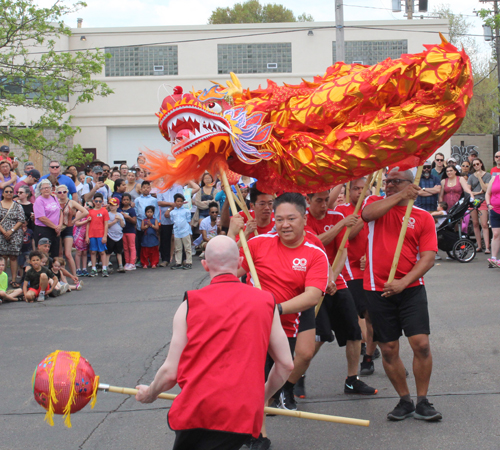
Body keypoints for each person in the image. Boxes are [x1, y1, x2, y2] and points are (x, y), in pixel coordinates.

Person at [135, 236, 293, 450]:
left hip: (197, 410)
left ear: (205, 265)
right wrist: (260, 396)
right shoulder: (266, 301)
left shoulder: (190, 304)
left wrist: (150, 393)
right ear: (239, 263)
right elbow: (286, 364)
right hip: (241, 412)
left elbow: (170, 372)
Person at [229, 193, 329, 447]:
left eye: (291, 218)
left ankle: (283, 388)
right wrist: (231, 235)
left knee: (303, 355)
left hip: (293, 308)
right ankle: (257, 436)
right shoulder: (258, 244)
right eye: (279, 218)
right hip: (257, 320)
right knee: (256, 380)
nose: (284, 224)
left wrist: (275, 308)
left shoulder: (315, 252)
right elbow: (226, 272)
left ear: (304, 220)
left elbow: (313, 296)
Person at [362, 168, 442, 422]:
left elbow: (428, 257)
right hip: (377, 289)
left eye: (396, 182)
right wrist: (397, 196)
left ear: (412, 185)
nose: (389, 185)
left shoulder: (423, 217)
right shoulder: (375, 204)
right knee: (388, 349)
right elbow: (366, 215)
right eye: (388, 181)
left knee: (421, 344)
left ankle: (423, 400)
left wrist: (404, 282)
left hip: (411, 289)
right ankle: (404, 400)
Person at [304, 189, 377, 397]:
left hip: (336, 281)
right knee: (319, 335)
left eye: (327, 200)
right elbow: (316, 243)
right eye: (319, 200)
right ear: (308, 201)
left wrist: (332, 278)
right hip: (310, 282)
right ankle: (296, 376)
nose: (324, 204)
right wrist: (340, 226)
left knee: (354, 331)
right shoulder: (304, 219)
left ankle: (352, 380)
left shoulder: (336, 217)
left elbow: (342, 251)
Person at [335, 178, 380, 376]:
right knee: (356, 318)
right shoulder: (342, 211)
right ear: (348, 190)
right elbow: (349, 235)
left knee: (374, 316)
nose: (359, 192)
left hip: (372, 268)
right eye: (355, 189)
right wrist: (364, 216)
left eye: (363, 188)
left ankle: (370, 356)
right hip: (350, 272)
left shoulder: (375, 206)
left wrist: (371, 258)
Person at [0, 185, 30, 288]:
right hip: (1, 233)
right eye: (6, 191)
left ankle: (13, 279)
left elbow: (21, 220)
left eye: (10, 192)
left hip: (15, 234)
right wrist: (4, 232)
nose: (8, 193)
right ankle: (2, 279)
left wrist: (11, 231)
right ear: (3, 193)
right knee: (3, 257)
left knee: (13, 257)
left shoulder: (17, 206)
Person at [56, 184, 88, 276]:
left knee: (68, 254)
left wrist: (75, 220)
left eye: (64, 192)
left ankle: (74, 275)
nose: (62, 194)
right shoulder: (55, 202)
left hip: (68, 227)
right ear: (57, 193)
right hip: (58, 228)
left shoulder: (71, 202)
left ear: (67, 193)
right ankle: (61, 275)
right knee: (59, 253)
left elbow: (85, 211)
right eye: (60, 192)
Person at [33, 179, 63, 258]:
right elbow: (42, 218)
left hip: (55, 230)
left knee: (55, 253)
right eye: (44, 188)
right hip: (44, 230)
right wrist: (55, 227)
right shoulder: (39, 201)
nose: (46, 189)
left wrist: (59, 226)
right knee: (44, 254)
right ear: (40, 190)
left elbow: (60, 211)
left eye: (48, 187)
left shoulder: (54, 198)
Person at [468, 158, 492, 253]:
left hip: (483, 201)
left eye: (477, 164)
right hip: (473, 201)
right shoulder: (471, 177)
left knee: (484, 224)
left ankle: (487, 246)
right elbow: (468, 191)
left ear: (481, 164)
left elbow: (486, 189)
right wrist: (477, 192)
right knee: (475, 223)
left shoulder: (487, 175)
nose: (476, 166)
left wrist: (479, 178)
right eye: (474, 165)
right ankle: (478, 246)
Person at [157, 184, 184, 267]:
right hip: (165, 219)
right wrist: (172, 204)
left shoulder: (178, 187)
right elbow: (159, 202)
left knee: (180, 237)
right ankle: (165, 259)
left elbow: (180, 202)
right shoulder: (160, 187)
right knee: (165, 238)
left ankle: (183, 259)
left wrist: (169, 209)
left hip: (177, 216)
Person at [134, 181, 160, 265]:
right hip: (140, 223)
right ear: (141, 189)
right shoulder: (137, 199)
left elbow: (156, 212)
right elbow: (136, 210)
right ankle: (141, 260)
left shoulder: (154, 200)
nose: (146, 189)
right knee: (140, 243)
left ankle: (153, 260)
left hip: (152, 224)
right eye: (144, 187)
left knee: (152, 242)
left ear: (150, 189)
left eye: (147, 187)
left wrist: (157, 223)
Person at [166, 194, 193, 270]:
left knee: (187, 248)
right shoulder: (172, 212)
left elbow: (188, 221)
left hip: (185, 231)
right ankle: (178, 262)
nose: (180, 203)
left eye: (181, 201)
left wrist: (190, 232)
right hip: (177, 232)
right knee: (178, 248)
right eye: (178, 201)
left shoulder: (186, 211)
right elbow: (172, 221)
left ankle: (189, 262)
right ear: (175, 202)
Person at [86, 193, 109, 277]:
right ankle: (93, 268)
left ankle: (104, 268)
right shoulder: (90, 212)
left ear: (102, 202)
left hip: (101, 234)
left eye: (100, 201)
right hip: (92, 235)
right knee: (93, 252)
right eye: (96, 201)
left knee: (102, 252)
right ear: (93, 201)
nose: (98, 203)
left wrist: (105, 236)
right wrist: (87, 236)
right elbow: (88, 224)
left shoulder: (104, 211)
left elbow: (106, 224)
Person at [106, 197, 126, 272]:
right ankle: (106, 265)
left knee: (119, 252)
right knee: (108, 252)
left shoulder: (120, 215)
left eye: (114, 205)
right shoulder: (108, 214)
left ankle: (120, 265)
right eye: (111, 205)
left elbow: (123, 225)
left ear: (117, 206)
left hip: (119, 236)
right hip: (110, 235)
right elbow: (107, 225)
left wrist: (120, 219)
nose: (112, 206)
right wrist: (115, 221)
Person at [119, 193, 137, 271]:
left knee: (131, 247)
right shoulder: (120, 210)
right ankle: (127, 262)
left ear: (130, 201)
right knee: (125, 248)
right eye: (124, 200)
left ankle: (132, 263)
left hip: (131, 231)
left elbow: (134, 221)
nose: (125, 201)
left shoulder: (131, 210)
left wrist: (127, 217)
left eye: (127, 200)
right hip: (123, 231)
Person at [73, 202, 91, 277]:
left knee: (84, 252)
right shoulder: (79, 212)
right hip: (78, 233)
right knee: (79, 252)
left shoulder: (89, 214)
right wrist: (86, 221)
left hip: (85, 234)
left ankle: (84, 268)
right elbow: (77, 223)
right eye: (87, 204)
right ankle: (78, 269)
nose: (88, 207)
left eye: (90, 206)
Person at [486, 175, 500, 268]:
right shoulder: (495, 178)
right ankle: (493, 258)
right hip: (494, 210)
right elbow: (487, 193)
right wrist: (488, 204)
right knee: (495, 234)